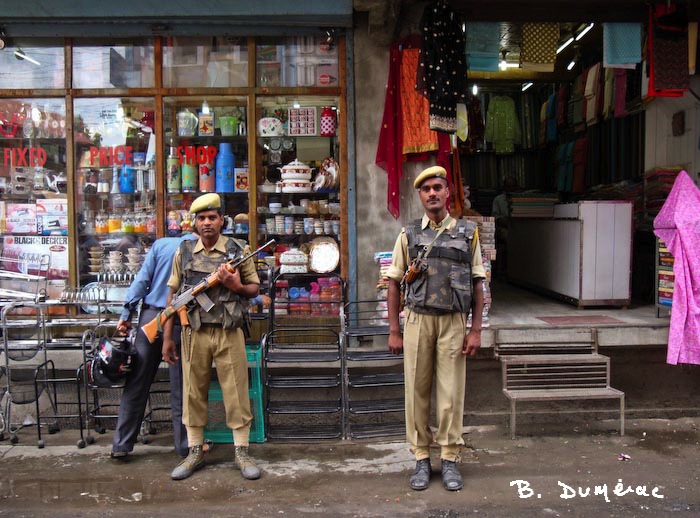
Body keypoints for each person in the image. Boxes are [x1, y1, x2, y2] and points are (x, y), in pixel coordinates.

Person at [386, 165, 485, 492]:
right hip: (417, 320)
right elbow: (393, 282)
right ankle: (421, 458)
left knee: (451, 393)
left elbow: (478, 283)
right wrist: (394, 330)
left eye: (437, 187)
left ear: (447, 193)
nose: (432, 193)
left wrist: (476, 330)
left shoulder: (468, 233)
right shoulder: (409, 234)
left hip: (454, 322)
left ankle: (451, 458)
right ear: (420, 195)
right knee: (415, 391)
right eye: (426, 189)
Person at [162, 193, 261, 481]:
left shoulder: (238, 250)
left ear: (221, 220)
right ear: (194, 222)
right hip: (194, 332)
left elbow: (254, 289)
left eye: (212, 217)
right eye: (201, 218)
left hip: (229, 331)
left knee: (236, 392)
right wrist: (167, 336)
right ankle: (195, 450)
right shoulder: (183, 252)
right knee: (193, 392)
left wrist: (235, 284)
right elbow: (173, 296)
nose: (207, 222)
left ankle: (241, 450)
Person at [110, 232, 199, 460]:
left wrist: (126, 313)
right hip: (180, 319)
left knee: (137, 384)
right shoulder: (203, 248)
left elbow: (141, 280)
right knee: (181, 387)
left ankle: (121, 444)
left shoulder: (161, 245)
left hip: (150, 315)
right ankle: (184, 447)